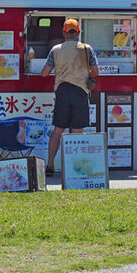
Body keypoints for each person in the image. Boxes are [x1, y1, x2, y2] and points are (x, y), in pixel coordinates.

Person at [41, 18, 98, 173]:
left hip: (62, 91)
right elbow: (95, 71)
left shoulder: (55, 49)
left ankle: (50, 165)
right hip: (80, 91)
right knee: (77, 132)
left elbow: (44, 73)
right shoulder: (87, 48)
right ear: (78, 33)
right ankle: (73, 168)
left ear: (64, 32)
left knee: (58, 130)